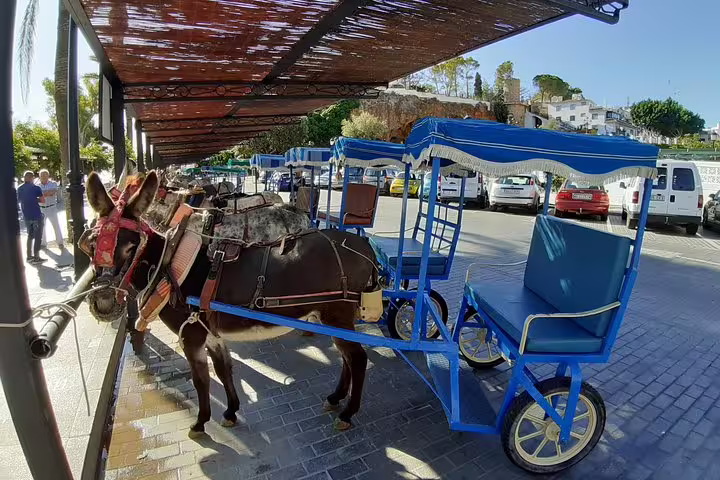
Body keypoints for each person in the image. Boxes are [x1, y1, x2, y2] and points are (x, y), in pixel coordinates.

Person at [17, 171, 46, 264]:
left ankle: (29, 256)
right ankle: (37, 257)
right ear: (31, 178)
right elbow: (42, 200)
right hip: (36, 215)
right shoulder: (36, 188)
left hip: (26, 216)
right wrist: (35, 199)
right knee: (38, 237)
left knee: (30, 235)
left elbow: (19, 200)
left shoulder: (19, 188)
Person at [36, 169, 65, 251]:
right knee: (42, 227)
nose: (43, 177)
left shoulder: (53, 183)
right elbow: (37, 197)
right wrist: (46, 193)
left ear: (48, 176)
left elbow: (52, 192)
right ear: (39, 176)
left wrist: (42, 195)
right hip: (41, 208)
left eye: (45, 175)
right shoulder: (37, 186)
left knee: (56, 225)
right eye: (42, 175)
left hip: (52, 207)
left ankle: (60, 243)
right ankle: (43, 244)